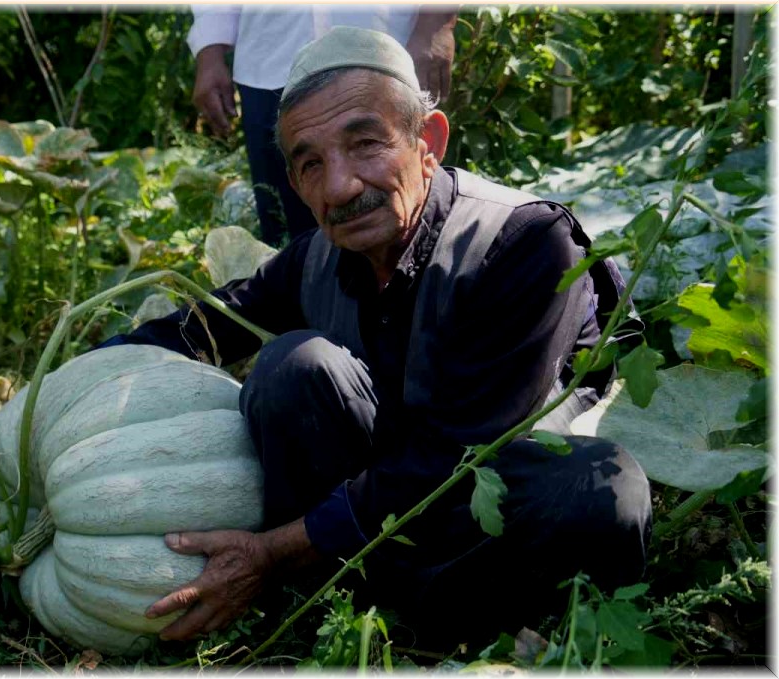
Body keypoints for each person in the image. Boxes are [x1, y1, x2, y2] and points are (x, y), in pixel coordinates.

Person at [104, 27, 652, 646]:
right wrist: (78, 379)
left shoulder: (523, 243)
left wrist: (273, 551)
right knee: (292, 365)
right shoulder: (319, 255)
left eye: (365, 143)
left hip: (484, 503)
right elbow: (206, 328)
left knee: (598, 489)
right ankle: (393, 603)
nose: (339, 186)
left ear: (428, 143)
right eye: (311, 163)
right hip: (379, 509)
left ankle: (396, 602)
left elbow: (461, 454)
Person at [189, 7, 458, 246]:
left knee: (416, 225)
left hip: (387, 49)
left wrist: (435, 22)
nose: (340, 188)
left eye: (365, 144)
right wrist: (209, 49)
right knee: (287, 236)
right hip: (268, 62)